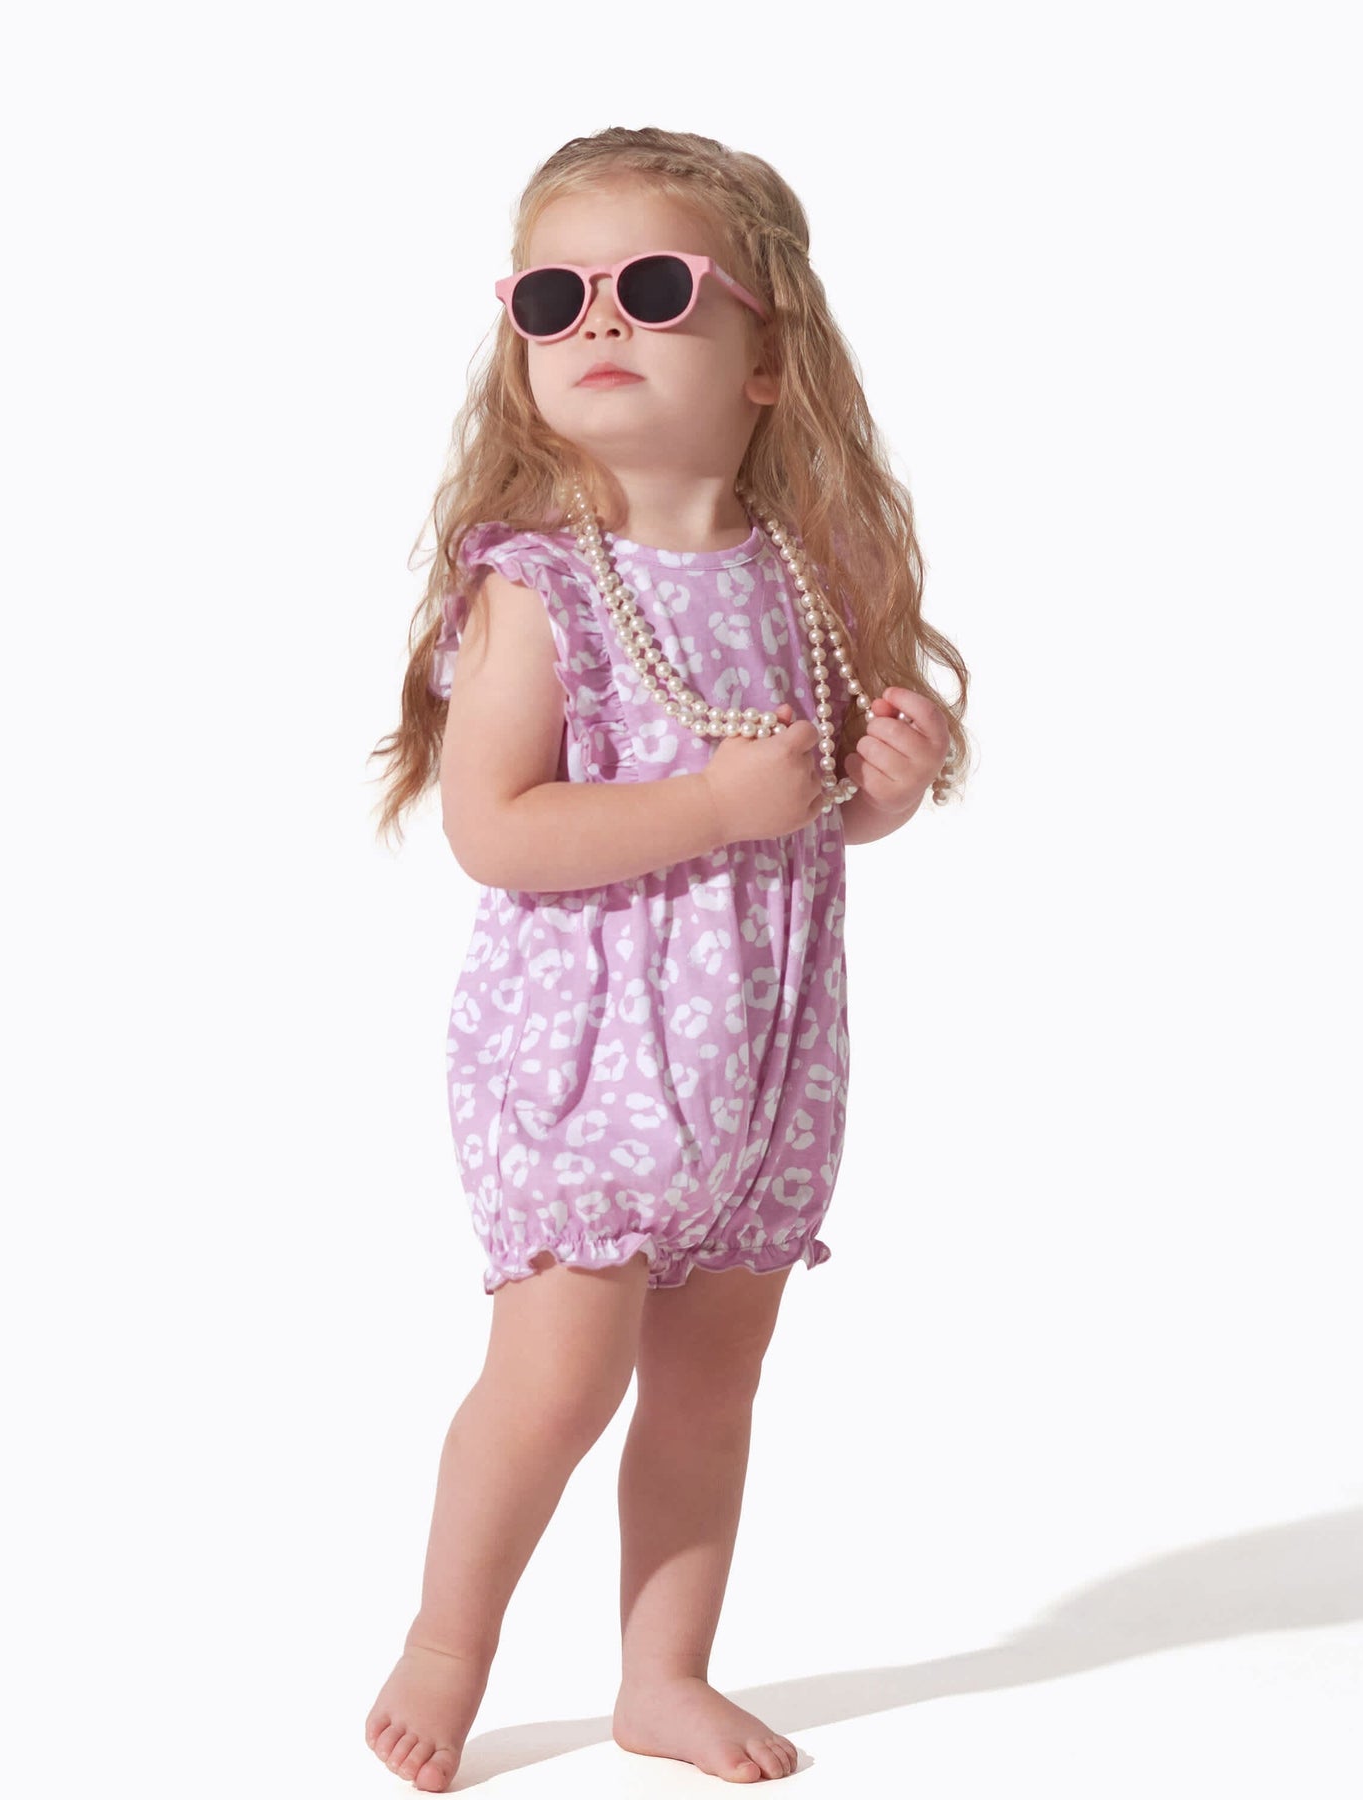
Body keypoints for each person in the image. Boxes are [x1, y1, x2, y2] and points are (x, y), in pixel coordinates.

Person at [364, 126, 970, 1790]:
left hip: (764, 1071)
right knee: (559, 1378)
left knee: (713, 1389)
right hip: (589, 1069)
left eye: (648, 284)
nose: (599, 322)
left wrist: (883, 789)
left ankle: (663, 1675)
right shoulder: (541, 587)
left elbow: (811, 818)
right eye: (553, 297)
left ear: (768, 356)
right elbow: (495, 827)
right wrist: (708, 801)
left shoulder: (809, 576)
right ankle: (448, 1645)